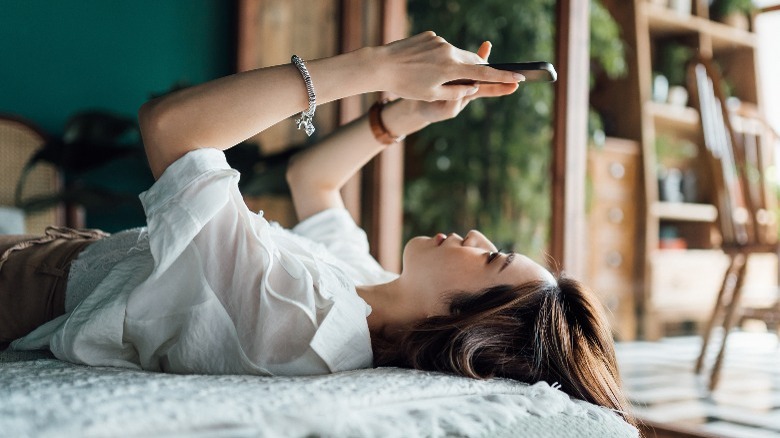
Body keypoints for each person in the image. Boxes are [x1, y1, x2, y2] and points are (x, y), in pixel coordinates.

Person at [0, 32, 632, 423]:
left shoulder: (304, 320)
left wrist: (376, 67)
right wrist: (408, 114)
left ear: (462, 322)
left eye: (492, 259)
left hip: (27, 286)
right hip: (59, 255)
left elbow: (170, 126)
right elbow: (314, 181)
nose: (477, 238)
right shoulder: (363, 295)